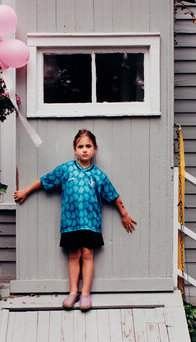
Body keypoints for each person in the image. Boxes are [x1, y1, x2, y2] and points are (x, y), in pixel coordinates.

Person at [14, 128, 136, 311]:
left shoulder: (99, 175)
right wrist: (25, 191)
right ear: (74, 149)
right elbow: (44, 180)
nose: (84, 150)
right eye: (81, 146)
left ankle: (85, 293)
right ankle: (73, 292)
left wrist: (124, 214)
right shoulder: (66, 170)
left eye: (88, 146)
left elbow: (114, 196)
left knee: (88, 255)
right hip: (70, 224)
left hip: (91, 224)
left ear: (95, 149)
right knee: (74, 256)